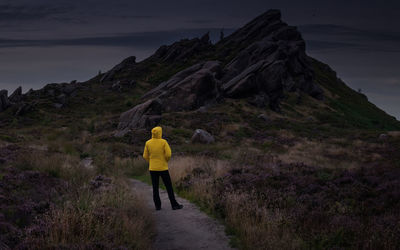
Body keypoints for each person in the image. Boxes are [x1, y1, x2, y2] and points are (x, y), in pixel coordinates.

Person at [143, 126, 183, 211]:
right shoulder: (164, 142)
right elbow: (168, 154)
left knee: (155, 187)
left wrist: (151, 162)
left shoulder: (148, 143)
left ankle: (158, 206)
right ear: (160, 133)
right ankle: (174, 205)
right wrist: (165, 161)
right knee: (168, 186)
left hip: (152, 169)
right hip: (163, 168)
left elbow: (145, 156)